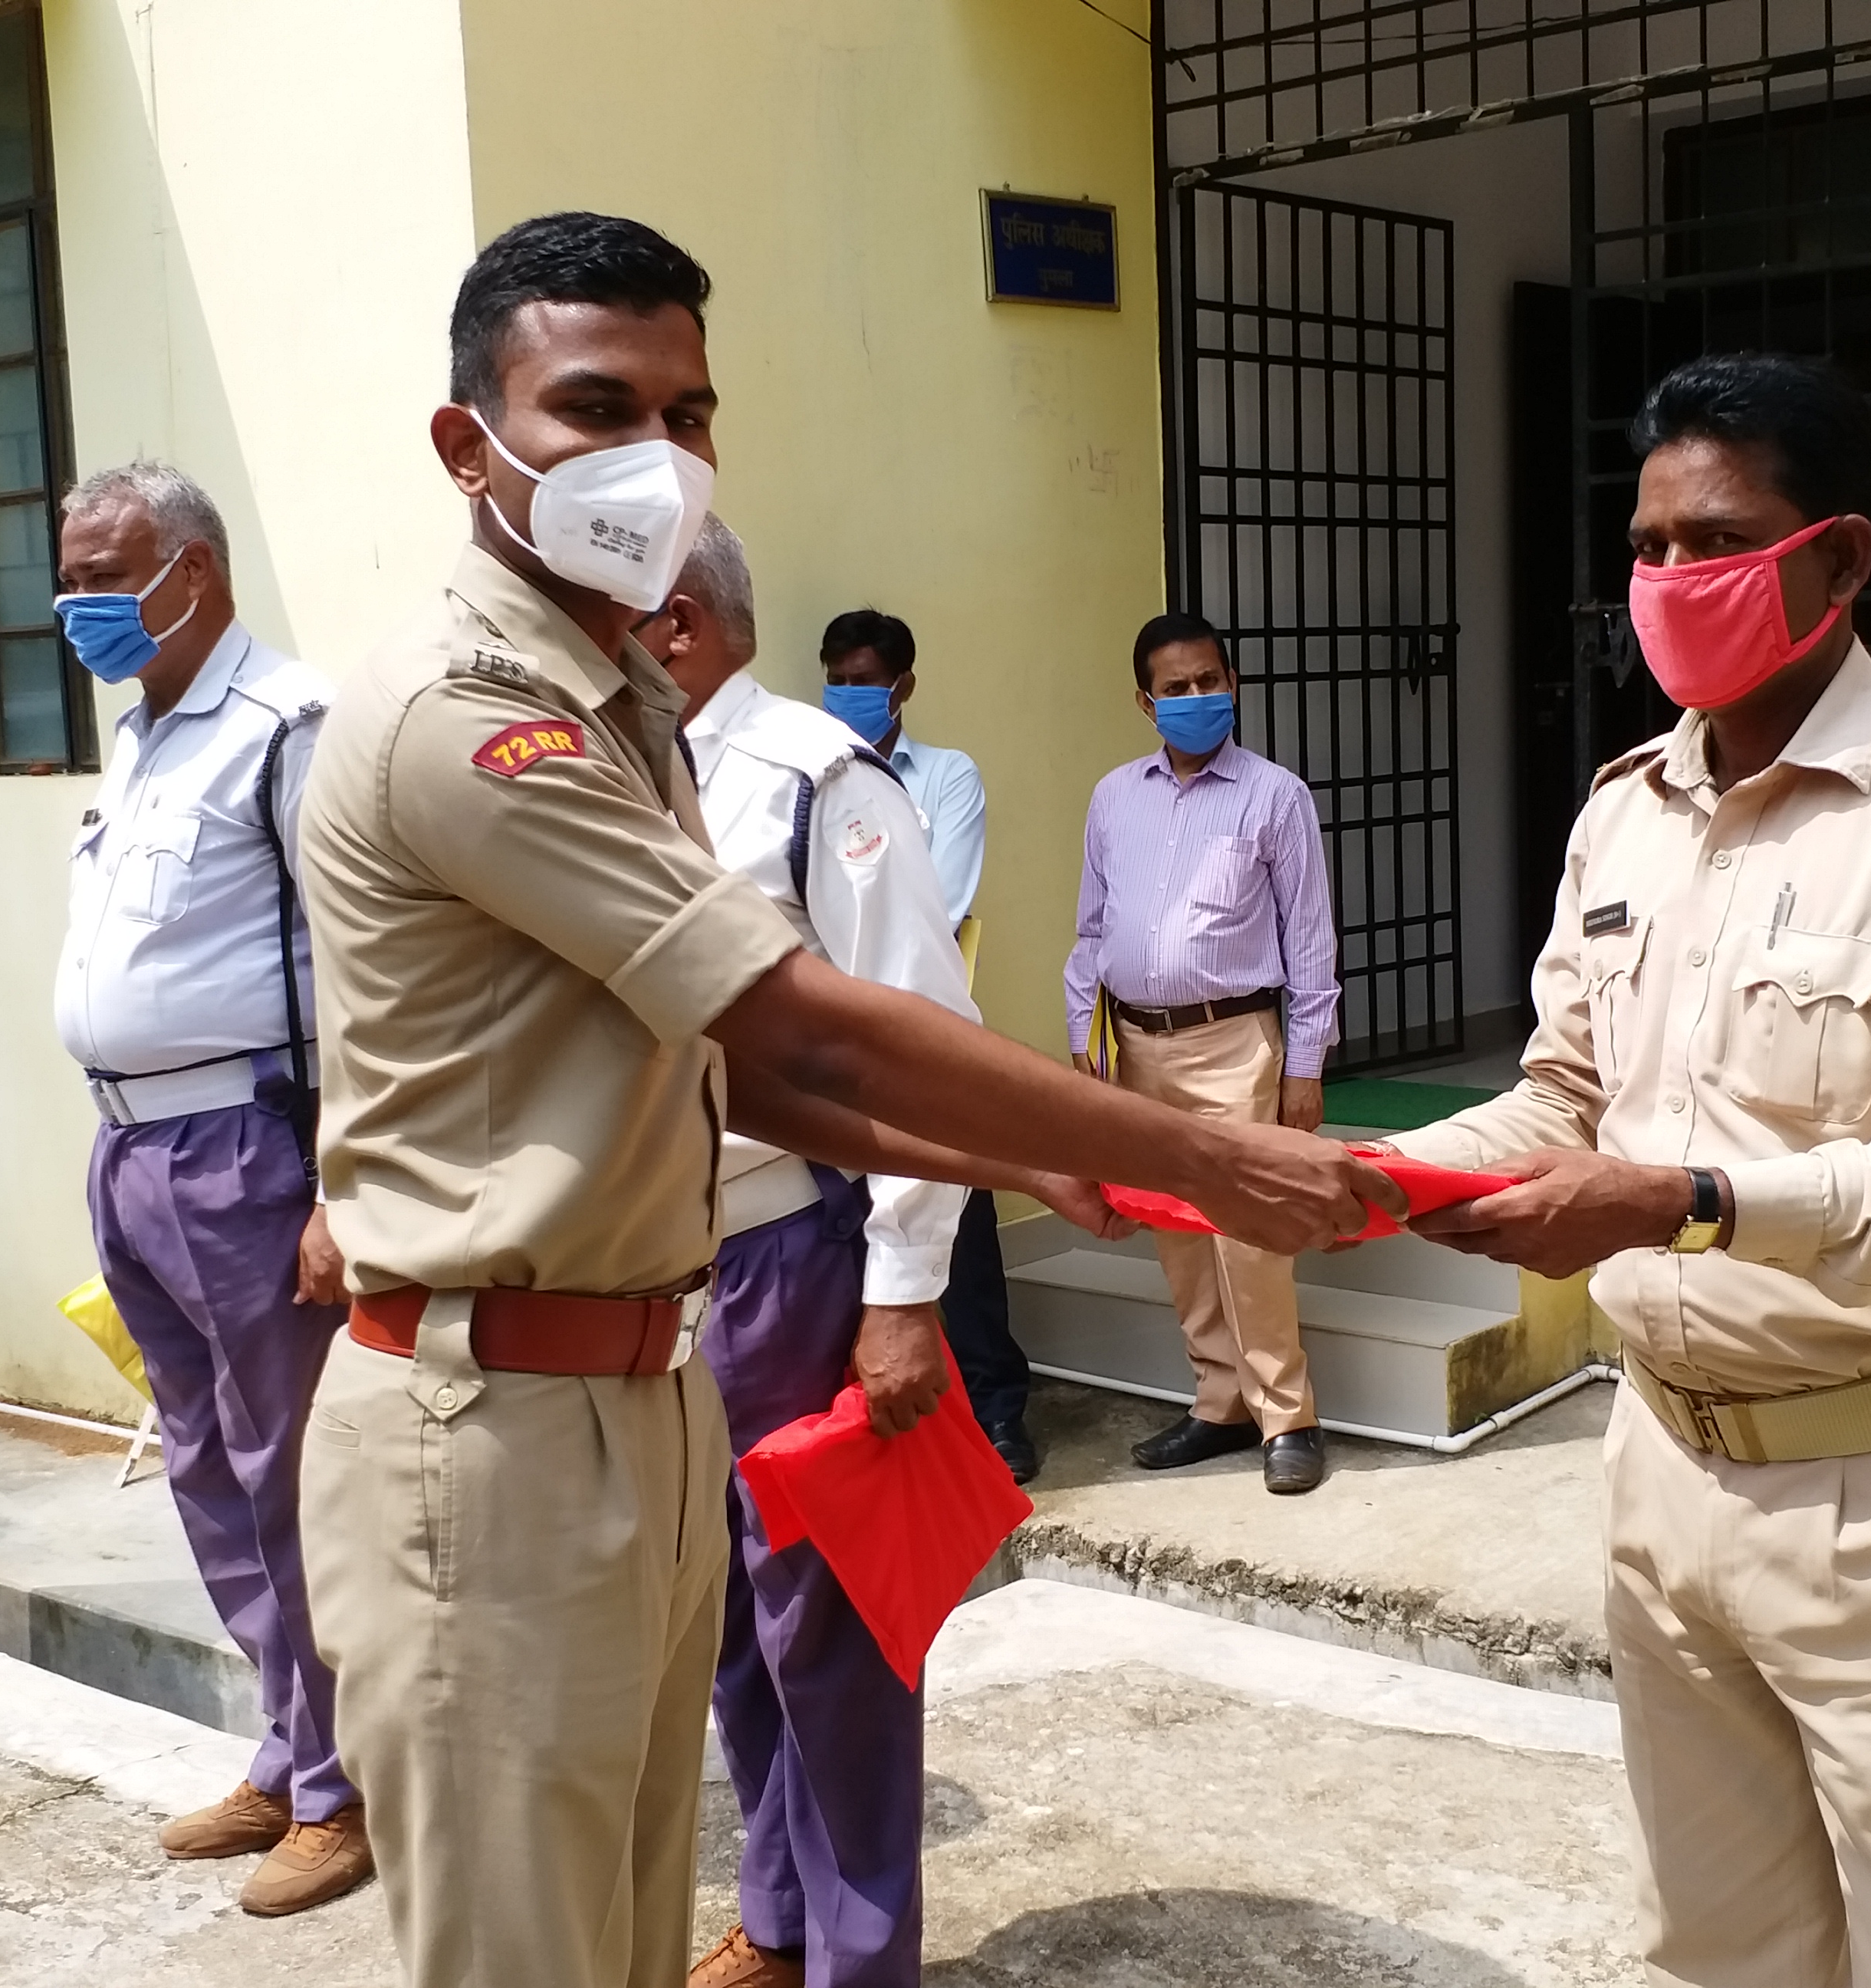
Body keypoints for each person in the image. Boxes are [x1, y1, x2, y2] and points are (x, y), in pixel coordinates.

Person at [294, 209, 1391, 1988]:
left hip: (646, 1366)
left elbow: (732, 1073)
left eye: (690, 409)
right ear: (466, 443)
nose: (656, 455)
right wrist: (1199, 1148)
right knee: (529, 1950)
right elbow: (804, 1034)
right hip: (484, 1418)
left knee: (640, 1909)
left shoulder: (632, 715)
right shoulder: (473, 716)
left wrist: (1036, 1161)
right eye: (595, 405)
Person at [1387, 352, 1871, 1987]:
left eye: (1719, 541)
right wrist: (1355, 1178)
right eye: (1650, 546)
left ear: (1840, 559)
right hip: (1660, 1466)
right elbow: (1561, 1093)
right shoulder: (1626, 813)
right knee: (1715, 1945)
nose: (1675, 582)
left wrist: (1685, 1202)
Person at [48, 461, 369, 1917]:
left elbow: (361, 970)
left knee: (294, 1474)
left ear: (196, 572)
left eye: (109, 571)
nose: (82, 601)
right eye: (71, 571)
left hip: (250, 1149)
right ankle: (287, 1746)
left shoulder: (284, 727)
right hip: (132, 1149)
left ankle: (350, 1786)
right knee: (202, 1465)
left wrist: (337, 1187)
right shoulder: (140, 737)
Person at [644, 524, 962, 1988]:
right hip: (662, 1269)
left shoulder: (814, 781)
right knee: (721, 1618)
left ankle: (861, 1955)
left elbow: (913, 1047)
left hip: (793, 1250)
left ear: (679, 623)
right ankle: (777, 1913)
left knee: (827, 1630)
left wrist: (900, 1290)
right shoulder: (608, 780)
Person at [1062, 611, 1343, 1495]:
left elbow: (1312, 943)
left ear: (1232, 684)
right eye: (1175, 688)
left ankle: (1286, 1416)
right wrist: (1086, 1045)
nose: (1196, 699)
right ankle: (1217, 1401)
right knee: (1177, 1232)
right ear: (1145, 703)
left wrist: (1305, 1066)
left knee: (1250, 1233)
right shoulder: (1114, 797)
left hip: (1236, 1046)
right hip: (1137, 1045)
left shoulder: (1273, 797)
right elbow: (1091, 931)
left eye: (1209, 682)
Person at [819, 608, 1034, 1482]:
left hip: (924, 1037)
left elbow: (933, 912)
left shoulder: (945, 778)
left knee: (964, 1221)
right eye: (837, 675)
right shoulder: (813, 777)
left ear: (904, 686)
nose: (849, 693)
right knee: (842, 1226)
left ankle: (1000, 1409)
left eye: (866, 679)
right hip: (831, 1036)